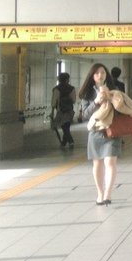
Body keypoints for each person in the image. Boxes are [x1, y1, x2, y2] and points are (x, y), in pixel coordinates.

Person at [78, 63, 120, 205]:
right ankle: (100, 193)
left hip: (112, 130)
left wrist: (113, 99)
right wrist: (96, 101)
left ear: (106, 74)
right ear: (92, 76)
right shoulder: (87, 94)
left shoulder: (115, 89)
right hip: (95, 131)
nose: (100, 75)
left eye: (102, 72)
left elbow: (122, 108)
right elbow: (85, 114)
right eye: (96, 73)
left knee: (110, 161)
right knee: (97, 163)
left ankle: (108, 194)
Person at [50, 72, 77, 148]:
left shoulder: (56, 89)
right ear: (67, 79)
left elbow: (53, 102)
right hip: (70, 110)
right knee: (66, 126)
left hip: (61, 111)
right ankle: (64, 143)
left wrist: (52, 112)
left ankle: (71, 141)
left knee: (64, 127)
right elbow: (74, 100)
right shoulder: (72, 88)